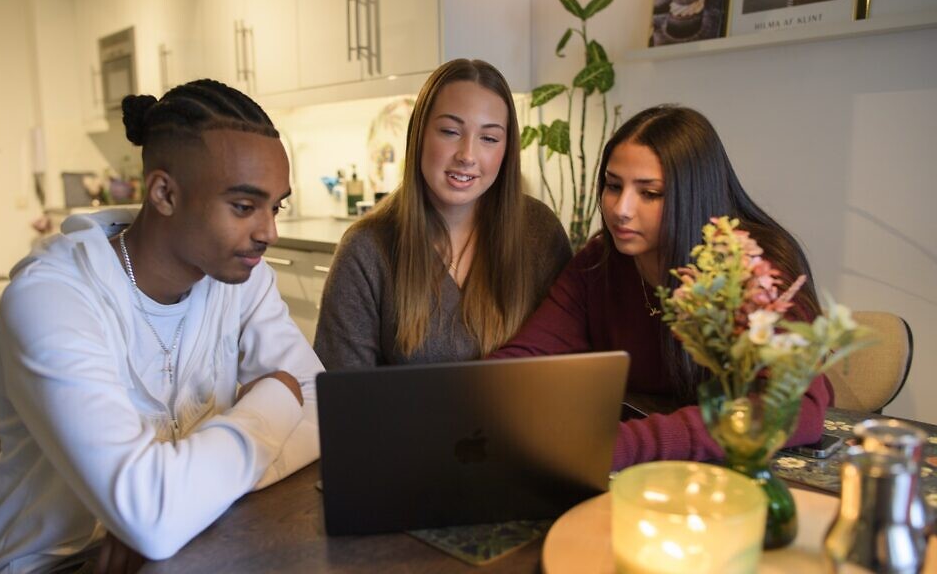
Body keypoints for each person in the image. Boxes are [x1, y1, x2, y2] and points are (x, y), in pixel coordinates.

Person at [0, 80, 320, 573]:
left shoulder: (241, 277)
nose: (269, 232)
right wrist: (275, 398)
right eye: (245, 207)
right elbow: (153, 516)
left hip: (197, 541)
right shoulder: (51, 299)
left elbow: (320, 411)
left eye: (276, 206)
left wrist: (184, 507)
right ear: (164, 193)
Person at [490, 105, 832, 471]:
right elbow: (522, 361)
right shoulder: (598, 263)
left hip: (738, 473)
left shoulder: (757, 269)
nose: (621, 209)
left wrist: (625, 443)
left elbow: (794, 407)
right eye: (613, 186)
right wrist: (468, 403)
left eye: (650, 193)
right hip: (646, 471)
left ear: (692, 195)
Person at [314, 59, 571, 368]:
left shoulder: (539, 232)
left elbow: (566, 359)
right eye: (450, 131)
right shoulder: (367, 249)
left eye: (489, 138)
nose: (467, 155)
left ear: (507, 150)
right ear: (419, 135)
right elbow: (343, 397)